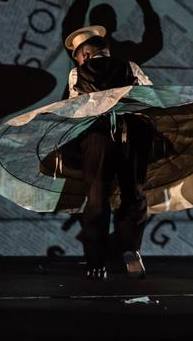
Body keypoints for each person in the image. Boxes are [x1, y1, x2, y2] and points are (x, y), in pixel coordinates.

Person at [65, 25, 153, 279]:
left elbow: (75, 108)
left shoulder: (77, 74)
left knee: (97, 197)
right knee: (134, 195)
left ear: (87, 55)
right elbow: (151, 96)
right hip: (133, 136)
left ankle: (96, 262)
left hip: (98, 137)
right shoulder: (130, 67)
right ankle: (128, 253)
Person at [62, 0, 163, 66]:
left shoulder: (85, 54)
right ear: (114, 23)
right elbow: (153, 44)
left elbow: (69, 26)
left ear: (93, 25)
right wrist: (146, 7)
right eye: (113, 17)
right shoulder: (126, 52)